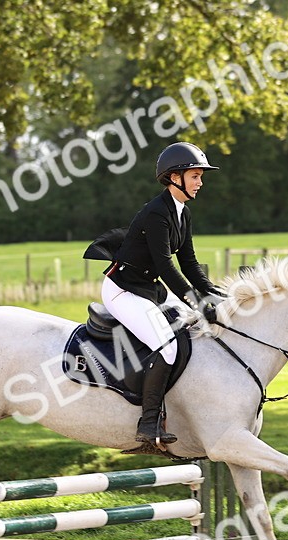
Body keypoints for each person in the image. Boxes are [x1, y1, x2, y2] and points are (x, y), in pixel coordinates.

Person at [101, 142, 226, 446]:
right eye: (195, 176)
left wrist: (217, 294)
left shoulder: (183, 213)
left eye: (200, 177)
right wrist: (196, 303)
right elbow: (166, 266)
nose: (200, 183)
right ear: (175, 177)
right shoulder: (156, 212)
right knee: (167, 347)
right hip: (123, 290)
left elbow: (190, 264)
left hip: (149, 290)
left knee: (190, 332)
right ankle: (148, 422)